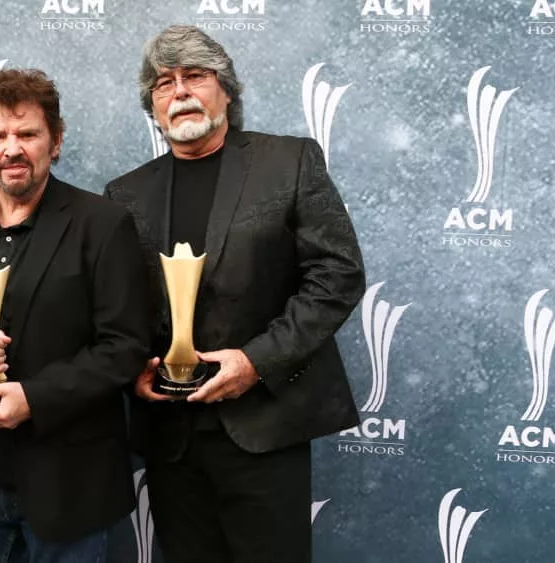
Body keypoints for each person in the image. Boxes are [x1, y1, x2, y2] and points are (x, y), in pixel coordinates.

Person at [105, 25, 366, 563]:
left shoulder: (288, 162)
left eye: (194, 76)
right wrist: (131, 369)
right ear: (152, 107)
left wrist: (254, 362)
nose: (179, 91)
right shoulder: (124, 194)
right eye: (162, 83)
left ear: (226, 89)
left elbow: (336, 275)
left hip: (265, 427)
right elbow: (117, 306)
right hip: (171, 440)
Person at [0, 68, 150, 563]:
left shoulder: (103, 225)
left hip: (71, 485)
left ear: (56, 141)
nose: (11, 148)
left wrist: (34, 399)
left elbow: (124, 346)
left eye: (27, 134)